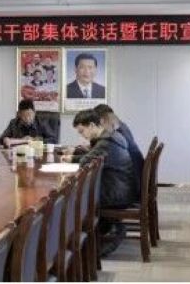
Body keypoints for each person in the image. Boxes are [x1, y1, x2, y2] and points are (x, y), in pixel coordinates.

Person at [61, 109, 135, 256]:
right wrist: (74, 158)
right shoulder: (111, 136)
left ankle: (85, 240)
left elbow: (85, 162)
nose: (82, 135)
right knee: (78, 195)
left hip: (115, 193)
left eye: (82, 131)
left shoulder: (105, 143)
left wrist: (74, 158)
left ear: (92, 125)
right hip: (121, 187)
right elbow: (90, 157)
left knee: (73, 198)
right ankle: (92, 235)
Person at [93, 104, 145, 198]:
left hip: (128, 186)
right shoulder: (121, 126)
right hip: (133, 179)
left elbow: (103, 152)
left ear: (102, 120)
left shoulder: (116, 133)